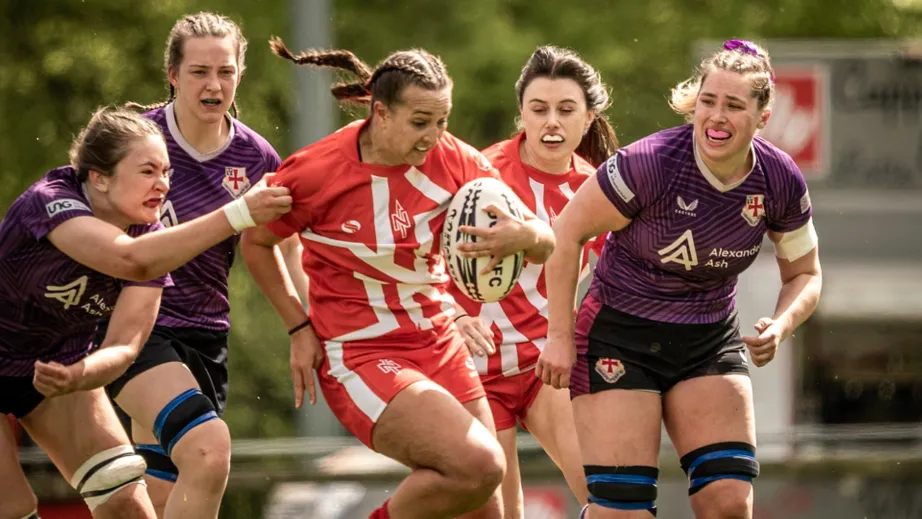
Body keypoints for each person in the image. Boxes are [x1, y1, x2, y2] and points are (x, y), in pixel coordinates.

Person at [241, 38, 557, 519]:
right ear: (380, 112)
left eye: (442, 121)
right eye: (419, 122)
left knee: (486, 504)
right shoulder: (315, 171)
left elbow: (544, 240)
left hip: (438, 342)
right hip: (362, 352)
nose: (433, 137)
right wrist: (297, 326)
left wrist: (526, 235)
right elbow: (256, 244)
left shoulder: (458, 163)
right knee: (478, 464)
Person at [536, 40, 823, 518]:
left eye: (734, 106)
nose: (716, 117)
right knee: (622, 513)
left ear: (763, 116)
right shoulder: (650, 163)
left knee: (729, 502)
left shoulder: (778, 179)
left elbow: (806, 273)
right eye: (708, 101)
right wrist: (559, 338)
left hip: (707, 339)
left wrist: (781, 323)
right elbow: (563, 236)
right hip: (620, 337)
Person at [0, 107, 289, 519]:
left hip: (52, 367)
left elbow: (124, 346)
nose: (163, 185)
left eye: (168, 172)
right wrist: (239, 213)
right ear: (98, 178)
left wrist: (77, 375)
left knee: (125, 506)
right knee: (13, 507)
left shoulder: (151, 238)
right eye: (148, 172)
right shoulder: (52, 200)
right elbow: (130, 261)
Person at [95, 12, 303, 519]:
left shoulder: (257, 158)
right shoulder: (135, 141)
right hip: (134, 327)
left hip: (205, 335)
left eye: (225, 72)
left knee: (157, 498)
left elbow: (279, 244)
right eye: (199, 72)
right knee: (210, 452)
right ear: (172, 74)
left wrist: (308, 325)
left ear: (240, 74)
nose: (214, 85)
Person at [448, 45, 617, 519]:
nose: (552, 123)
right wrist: (455, 313)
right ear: (520, 112)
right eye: (539, 109)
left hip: (545, 367)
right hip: (471, 367)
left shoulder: (598, 189)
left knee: (610, 498)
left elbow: (619, 282)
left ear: (588, 118)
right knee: (499, 512)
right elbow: (421, 260)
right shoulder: (480, 173)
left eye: (566, 110)